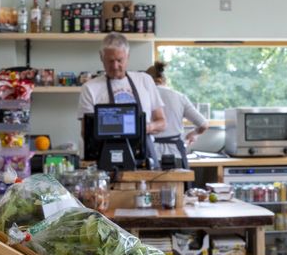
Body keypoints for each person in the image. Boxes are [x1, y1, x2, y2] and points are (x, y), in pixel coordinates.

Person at [79, 33, 166, 167]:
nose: (115, 66)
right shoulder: (90, 88)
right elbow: (86, 133)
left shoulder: (144, 80)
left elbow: (162, 122)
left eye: (120, 60)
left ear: (128, 57)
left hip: (145, 154)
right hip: (106, 155)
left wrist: (143, 128)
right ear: (101, 58)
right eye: (110, 61)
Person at [146, 61, 208, 167]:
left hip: (150, 155)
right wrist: (193, 134)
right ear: (164, 79)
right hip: (175, 154)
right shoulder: (179, 97)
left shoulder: (143, 96)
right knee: (176, 183)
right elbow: (203, 124)